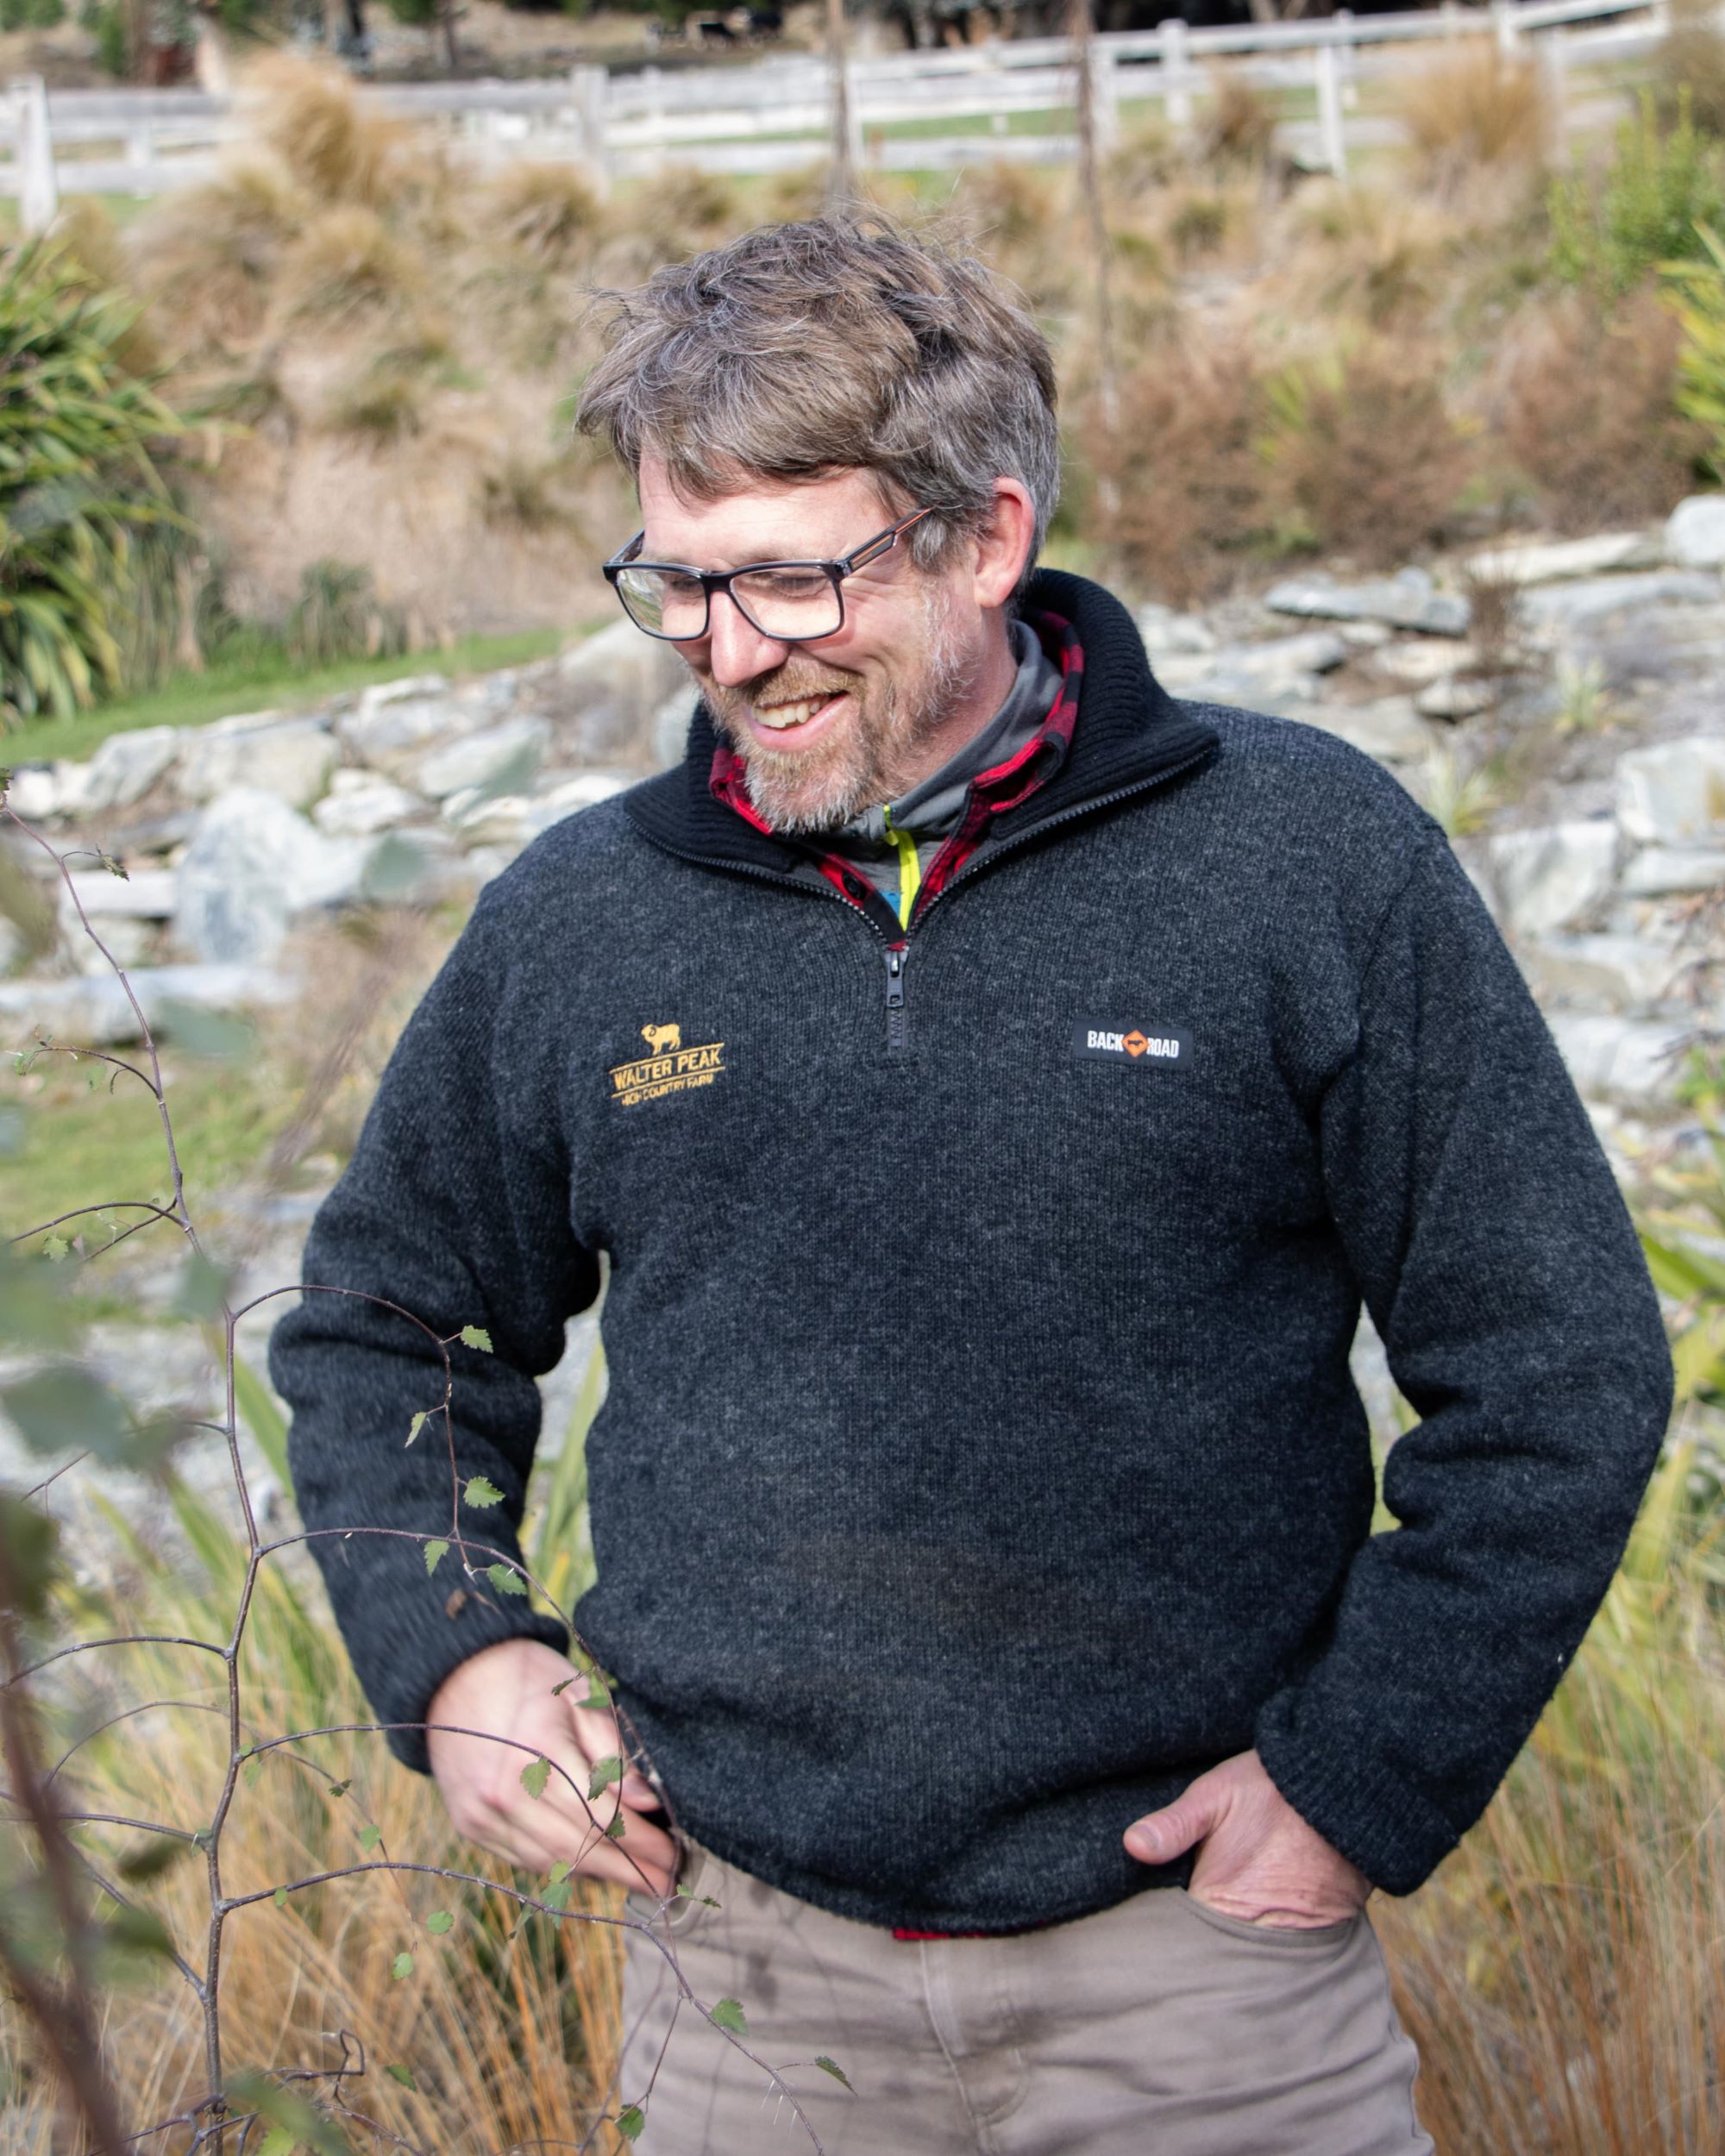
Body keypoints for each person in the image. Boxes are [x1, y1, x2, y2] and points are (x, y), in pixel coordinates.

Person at [269, 216, 1674, 2154]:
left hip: (1207, 1984)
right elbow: (385, 1322)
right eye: (675, 586)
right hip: (741, 1982)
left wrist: (1354, 1783)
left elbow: (1559, 1370)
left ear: (985, 537)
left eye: (788, 579)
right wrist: (458, 1655)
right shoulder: (577, 921)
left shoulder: (1309, 861)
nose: (726, 654)